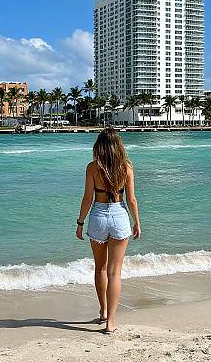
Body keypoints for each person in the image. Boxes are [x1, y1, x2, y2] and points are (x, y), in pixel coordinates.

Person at [76, 128, 141, 334]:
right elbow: (131, 199)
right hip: (120, 216)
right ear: (118, 146)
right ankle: (110, 322)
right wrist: (137, 222)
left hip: (98, 216)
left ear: (99, 146)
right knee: (115, 272)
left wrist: (79, 222)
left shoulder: (93, 167)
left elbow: (88, 198)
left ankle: (103, 310)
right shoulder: (127, 167)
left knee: (100, 268)